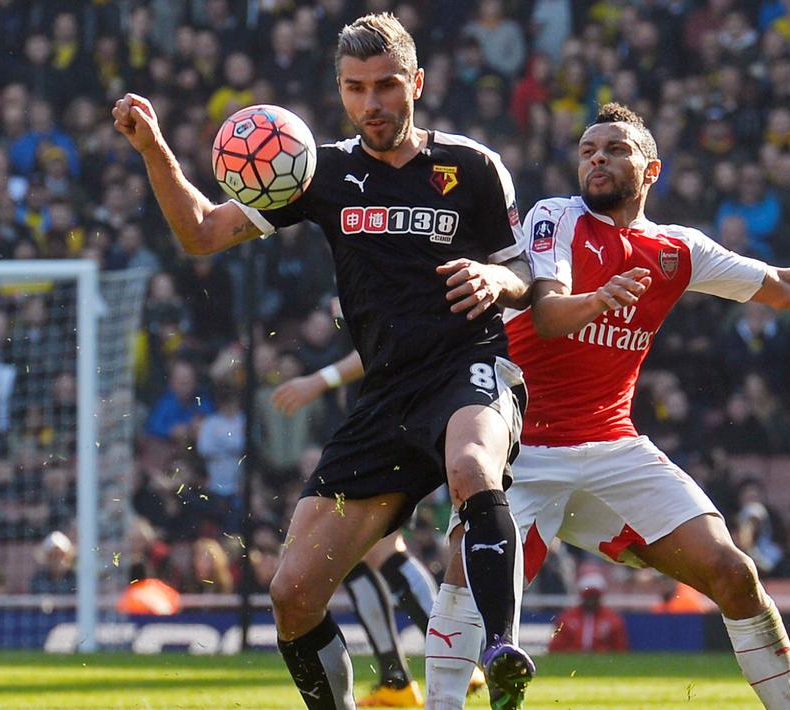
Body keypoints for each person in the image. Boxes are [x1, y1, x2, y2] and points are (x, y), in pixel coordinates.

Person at [423, 103, 790, 710]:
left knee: (735, 574)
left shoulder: (678, 250)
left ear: (652, 168)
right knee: (464, 577)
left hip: (611, 446)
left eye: (615, 148)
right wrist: (601, 297)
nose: (597, 158)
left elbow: (785, 286)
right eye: (587, 150)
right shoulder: (556, 216)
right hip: (523, 448)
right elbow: (549, 317)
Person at [113, 14, 534, 710]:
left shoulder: (472, 167)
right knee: (293, 594)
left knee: (470, 469)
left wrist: (500, 282)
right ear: (340, 92)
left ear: (417, 84)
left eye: (387, 86)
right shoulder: (318, 169)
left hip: (468, 369)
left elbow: (532, 286)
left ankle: (500, 651)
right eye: (356, 88)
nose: (372, 103)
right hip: (381, 401)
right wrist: (153, 146)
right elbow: (199, 233)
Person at [270, 350, 485, 704]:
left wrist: (319, 380)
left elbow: (383, 341)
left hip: (390, 427)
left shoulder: (371, 301)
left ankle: (452, 657)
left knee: (380, 549)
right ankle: (399, 674)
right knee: (357, 556)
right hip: (383, 421)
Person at [545, 572, 628, 653]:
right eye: (588, 596)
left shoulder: (612, 619)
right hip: (572, 662)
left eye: (594, 596)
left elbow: (619, 650)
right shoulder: (567, 618)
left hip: (601, 662)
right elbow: (555, 648)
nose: (591, 600)